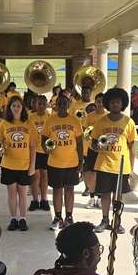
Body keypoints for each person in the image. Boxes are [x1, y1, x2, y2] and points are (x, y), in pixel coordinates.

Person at [91, 87, 137, 234]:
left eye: (117, 102)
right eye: (112, 102)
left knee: (118, 196)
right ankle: (105, 220)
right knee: (105, 194)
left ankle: (117, 221)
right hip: (104, 164)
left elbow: (131, 147)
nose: (115, 105)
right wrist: (97, 146)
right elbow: (93, 142)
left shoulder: (129, 122)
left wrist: (131, 169)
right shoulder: (100, 122)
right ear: (107, 104)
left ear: (122, 104)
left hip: (121, 165)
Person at [42, 92, 83, 231]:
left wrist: (81, 161)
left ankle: (69, 216)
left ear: (68, 105)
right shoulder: (50, 120)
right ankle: (58, 217)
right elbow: (44, 139)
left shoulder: (74, 121)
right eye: (59, 103)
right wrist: (46, 148)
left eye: (64, 103)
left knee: (69, 190)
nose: (62, 105)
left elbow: (79, 142)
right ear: (55, 105)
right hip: (54, 162)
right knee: (57, 190)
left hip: (72, 161)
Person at [0, 95, 37, 231]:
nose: (16, 108)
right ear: (9, 108)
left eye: (18, 106)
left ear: (22, 108)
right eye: (13, 106)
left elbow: (32, 147)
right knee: (12, 193)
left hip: (24, 165)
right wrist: (0, 147)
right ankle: (13, 218)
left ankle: (23, 218)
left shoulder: (28, 123)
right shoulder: (3, 124)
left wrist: (32, 166)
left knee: (23, 192)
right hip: (8, 164)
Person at [83, 92, 106, 209]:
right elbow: (85, 132)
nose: (100, 104)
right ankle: (92, 198)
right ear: (95, 102)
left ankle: (101, 199)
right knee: (91, 174)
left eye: (102, 101)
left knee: (101, 175)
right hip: (92, 149)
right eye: (98, 101)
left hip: (104, 151)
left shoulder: (108, 116)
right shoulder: (89, 116)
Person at [29, 94, 51, 212]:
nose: (41, 106)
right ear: (35, 105)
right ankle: (35, 200)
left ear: (46, 104)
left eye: (43, 104)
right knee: (35, 176)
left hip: (46, 151)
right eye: (39, 104)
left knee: (45, 175)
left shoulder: (50, 117)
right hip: (34, 151)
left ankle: (44, 199)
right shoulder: (30, 117)